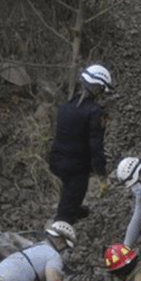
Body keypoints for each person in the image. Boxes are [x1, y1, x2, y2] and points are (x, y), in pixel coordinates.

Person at [49, 63, 114, 224]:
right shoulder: (94, 111)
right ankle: (60, 233)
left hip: (56, 159)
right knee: (69, 204)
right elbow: (95, 145)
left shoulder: (66, 106)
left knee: (69, 191)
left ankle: (74, 207)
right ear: (97, 88)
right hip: (76, 167)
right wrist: (101, 172)